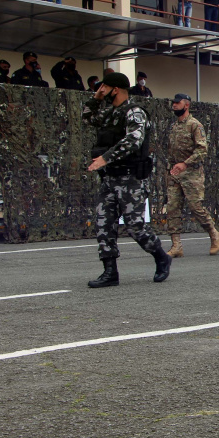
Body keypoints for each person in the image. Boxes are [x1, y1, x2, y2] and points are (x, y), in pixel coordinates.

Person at [82, 72, 171, 288]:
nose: (100, 89)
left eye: (104, 87)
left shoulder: (135, 112)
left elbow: (134, 140)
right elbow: (86, 118)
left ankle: (161, 256)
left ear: (115, 89)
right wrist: (95, 98)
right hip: (110, 179)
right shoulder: (110, 113)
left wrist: (105, 158)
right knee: (104, 225)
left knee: (135, 227)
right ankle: (110, 272)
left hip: (130, 179)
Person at [165, 93, 219, 257]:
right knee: (172, 208)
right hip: (175, 174)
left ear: (186, 105)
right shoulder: (174, 126)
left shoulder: (195, 125)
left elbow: (202, 150)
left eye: (177, 103)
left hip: (192, 173)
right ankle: (176, 246)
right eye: (173, 103)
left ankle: (214, 234)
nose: (174, 105)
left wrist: (185, 163)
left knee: (196, 208)